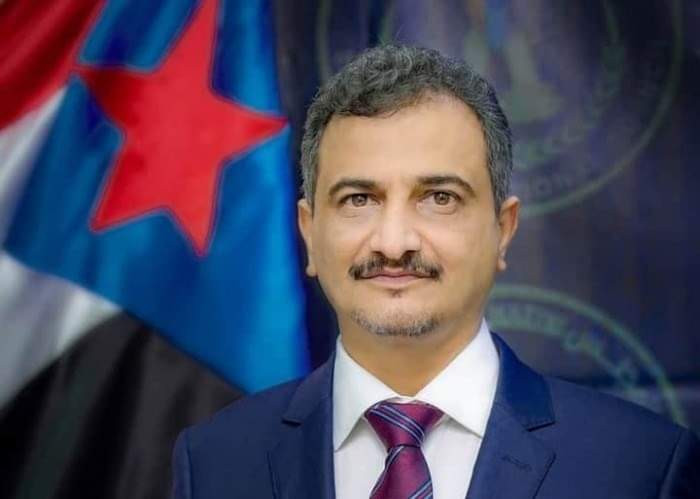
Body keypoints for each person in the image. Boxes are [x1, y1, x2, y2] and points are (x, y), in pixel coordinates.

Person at [171, 44, 699, 498]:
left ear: (503, 229)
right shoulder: (215, 462)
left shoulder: (640, 466)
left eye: (439, 197)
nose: (394, 242)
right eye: (359, 199)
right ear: (309, 233)